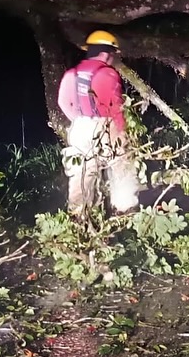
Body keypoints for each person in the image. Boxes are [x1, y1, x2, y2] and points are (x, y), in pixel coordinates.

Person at [56, 30, 142, 217]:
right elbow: (115, 108)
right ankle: (125, 210)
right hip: (105, 126)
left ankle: (80, 218)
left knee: (81, 175)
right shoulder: (107, 74)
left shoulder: (72, 73)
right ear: (106, 53)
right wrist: (123, 133)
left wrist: (78, 120)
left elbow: (62, 102)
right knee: (122, 166)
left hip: (79, 128)